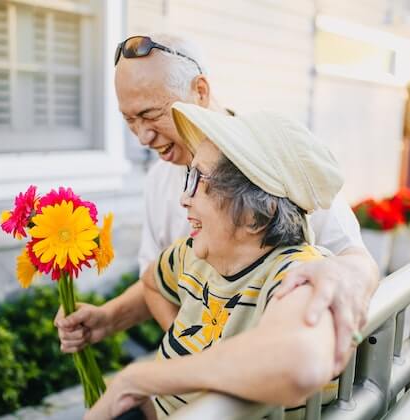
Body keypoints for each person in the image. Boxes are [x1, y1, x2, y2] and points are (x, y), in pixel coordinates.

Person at [55, 34, 378, 378]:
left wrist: (346, 274)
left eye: (150, 115)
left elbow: (355, 259)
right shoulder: (158, 181)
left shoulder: (272, 161)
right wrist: (110, 319)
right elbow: (160, 278)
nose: (142, 137)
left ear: (201, 91)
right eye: (129, 120)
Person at [86, 101, 346, 419]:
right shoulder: (190, 255)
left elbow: (300, 364)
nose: (184, 198)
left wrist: (137, 378)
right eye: (187, 178)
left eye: (199, 181)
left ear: (255, 216)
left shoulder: (296, 272)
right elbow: (152, 284)